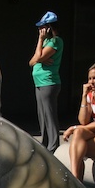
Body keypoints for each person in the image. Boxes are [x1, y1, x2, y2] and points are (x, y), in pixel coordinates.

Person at [28, 11, 63, 154]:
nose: (39, 30)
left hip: (49, 83)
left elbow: (40, 57)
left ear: (48, 27)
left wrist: (40, 41)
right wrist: (39, 57)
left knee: (49, 114)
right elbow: (32, 62)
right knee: (42, 114)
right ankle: (46, 143)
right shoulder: (47, 42)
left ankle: (53, 145)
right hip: (39, 82)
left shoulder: (55, 41)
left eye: (42, 27)